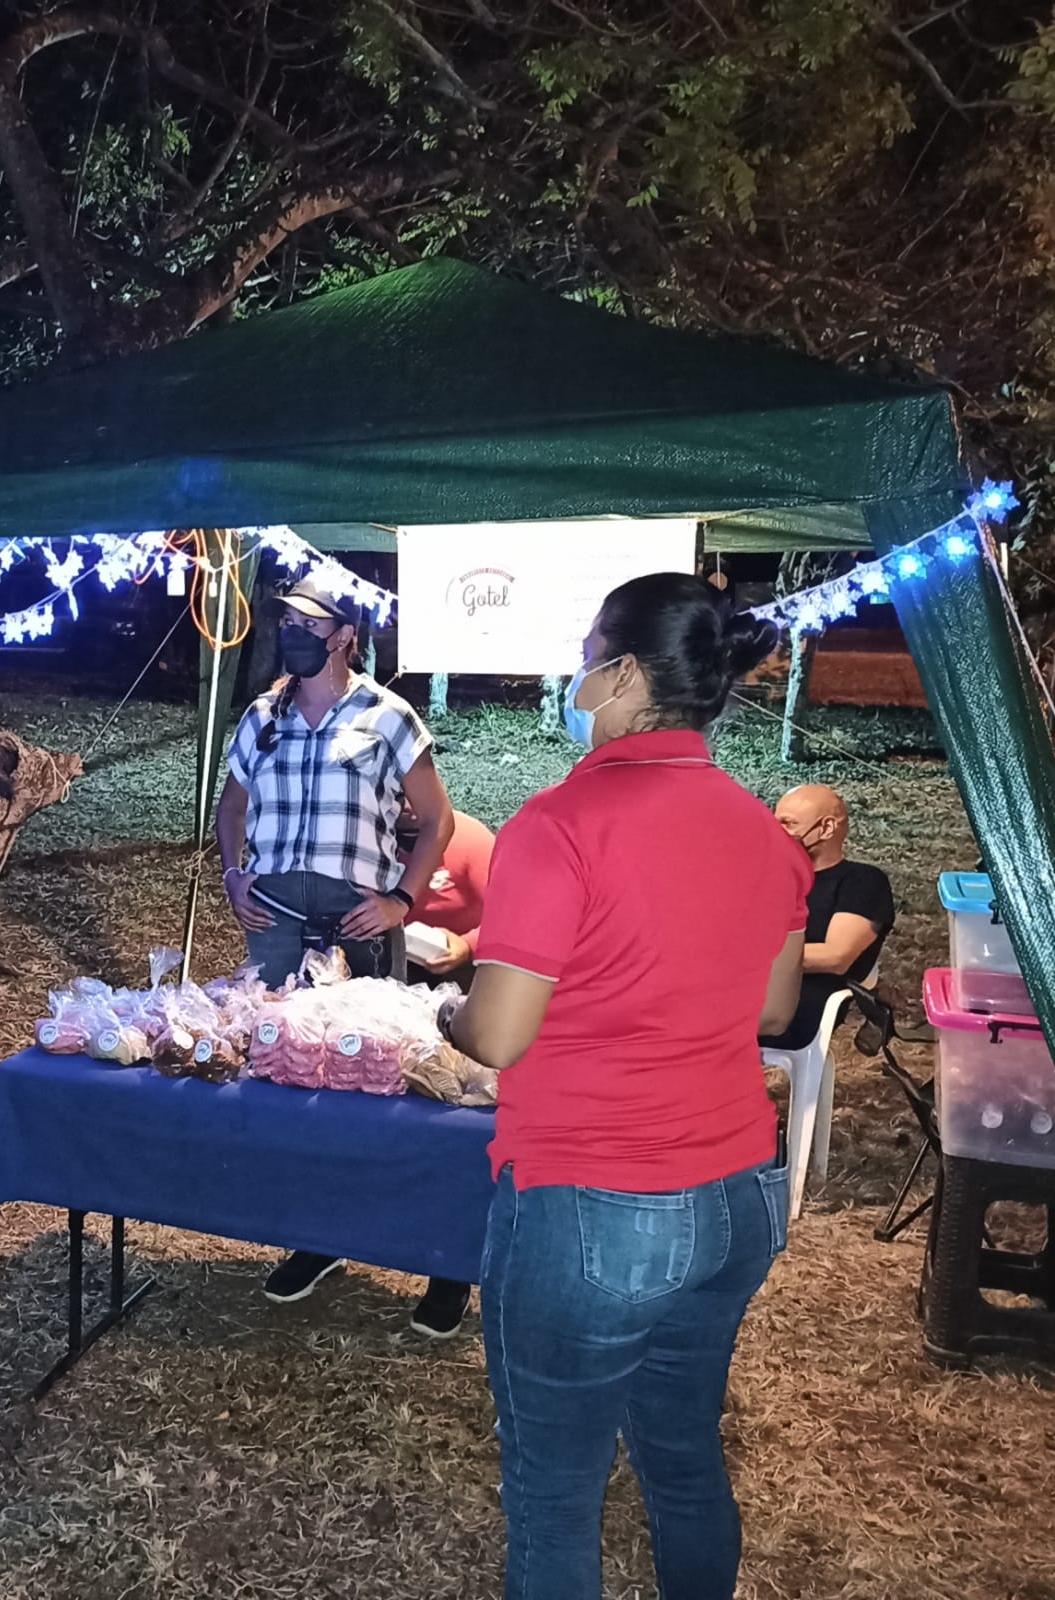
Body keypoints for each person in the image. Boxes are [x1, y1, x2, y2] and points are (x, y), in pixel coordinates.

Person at [440, 572, 809, 1600]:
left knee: (554, 1495)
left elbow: (498, 1034)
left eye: (586, 656)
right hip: (737, 1194)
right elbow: (773, 1007)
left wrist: (451, 1012)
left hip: (593, 1198)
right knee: (682, 1453)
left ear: (625, 673)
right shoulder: (765, 832)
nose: (576, 678)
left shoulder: (559, 824)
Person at [217, 573, 468, 1336]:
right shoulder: (262, 716)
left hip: (360, 922)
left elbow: (438, 820)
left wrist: (402, 901)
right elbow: (232, 806)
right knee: (289, 1081)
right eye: (285, 621)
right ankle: (319, 1235)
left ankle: (444, 1257)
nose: (291, 633)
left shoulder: (388, 716)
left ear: (344, 636)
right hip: (275, 923)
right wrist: (232, 873)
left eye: (308, 623)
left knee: (385, 1087)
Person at [760, 783, 894, 1051]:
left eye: (788, 823)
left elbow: (835, 957)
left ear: (827, 828)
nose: (777, 832)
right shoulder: (767, 876)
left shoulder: (862, 882)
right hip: (740, 991)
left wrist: (745, 956)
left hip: (795, 1008)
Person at [396, 798, 494, 992]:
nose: (408, 803)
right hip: (398, 953)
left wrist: (467, 946)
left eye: (415, 792)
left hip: (466, 959)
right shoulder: (368, 837)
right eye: (398, 792)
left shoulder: (470, 839)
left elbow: (515, 916)